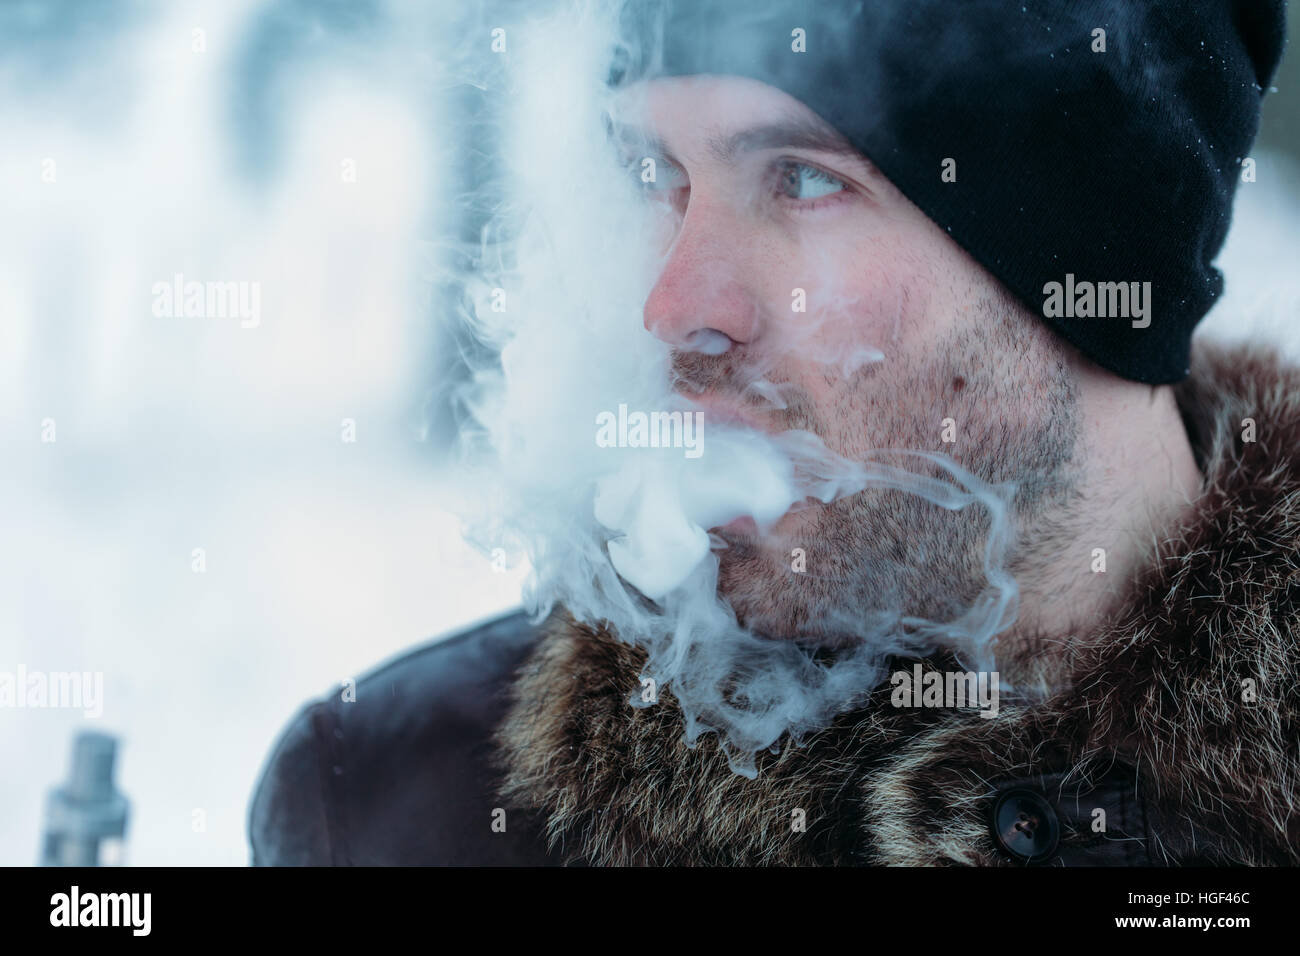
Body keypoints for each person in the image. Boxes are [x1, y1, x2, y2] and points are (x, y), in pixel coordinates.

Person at [248, 0, 1294, 865]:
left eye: (804, 178)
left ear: (1096, 259)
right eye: (660, 175)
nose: (673, 304)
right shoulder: (398, 808)